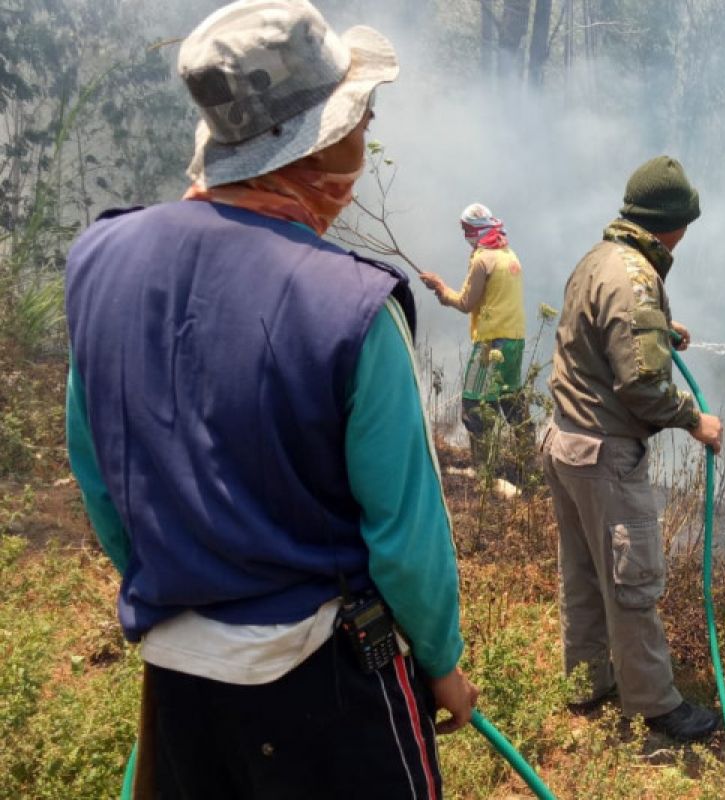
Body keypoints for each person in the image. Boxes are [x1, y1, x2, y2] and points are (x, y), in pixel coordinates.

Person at [64, 2, 475, 797]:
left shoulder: (100, 263)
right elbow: (405, 536)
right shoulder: (354, 307)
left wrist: (185, 594)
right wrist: (443, 665)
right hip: (327, 686)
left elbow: (100, 477)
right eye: (362, 118)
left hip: (179, 680)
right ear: (319, 147)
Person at [542, 155, 723, 742]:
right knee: (632, 581)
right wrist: (696, 420)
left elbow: (607, 336)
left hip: (565, 443)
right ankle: (657, 706)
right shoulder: (636, 275)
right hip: (604, 458)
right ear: (672, 224)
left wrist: (661, 334)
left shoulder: (599, 258)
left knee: (584, 576)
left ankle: (588, 684)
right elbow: (642, 386)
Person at [419, 205, 529, 477]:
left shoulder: (482, 260)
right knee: (510, 397)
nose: (465, 235)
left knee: (473, 403)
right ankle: (528, 463)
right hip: (515, 338)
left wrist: (440, 288)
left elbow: (467, 303)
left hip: (492, 342)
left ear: (475, 229)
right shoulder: (508, 253)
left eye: (466, 230)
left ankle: (483, 471)